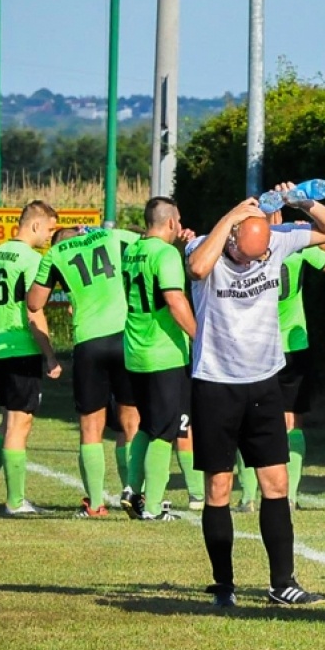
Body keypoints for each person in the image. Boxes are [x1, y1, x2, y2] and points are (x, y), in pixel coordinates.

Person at [186, 186, 325, 608]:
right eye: (248, 254)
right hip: (215, 384)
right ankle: (224, 586)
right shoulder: (205, 247)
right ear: (232, 237)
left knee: (274, 484)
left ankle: (282, 582)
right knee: (218, 488)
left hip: (264, 383)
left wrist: (302, 203)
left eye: (263, 255)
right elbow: (200, 269)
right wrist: (231, 215)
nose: (258, 262)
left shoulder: (274, 243)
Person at [27, 222, 139, 517]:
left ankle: (95, 503)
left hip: (89, 341)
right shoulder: (111, 236)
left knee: (91, 426)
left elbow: (34, 302)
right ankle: (134, 493)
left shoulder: (55, 254)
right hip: (124, 335)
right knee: (130, 420)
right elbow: (145, 242)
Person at [249, 205, 325, 511]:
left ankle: (246, 496)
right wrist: (314, 237)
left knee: (250, 418)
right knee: (292, 421)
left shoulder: (242, 248)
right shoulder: (292, 245)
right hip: (292, 343)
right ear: (278, 218)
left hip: (254, 343)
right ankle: (288, 495)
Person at [0, 201, 61, 515]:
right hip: (20, 349)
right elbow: (33, 310)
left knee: (6, 423)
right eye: (49, 229)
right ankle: (15, 501)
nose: (49, 236)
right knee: (19, 426)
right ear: (35, 226)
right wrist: (49, 355)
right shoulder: (31, 259)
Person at [122, 197, 198, 522]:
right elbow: (173, 299)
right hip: (163, 353)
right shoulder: (165, 254)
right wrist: (201, 336)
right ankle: (153, 507)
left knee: (147, 426)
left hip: (135, 350)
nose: (180, 226)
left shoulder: (133, 250)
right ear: (170, 222)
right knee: (166, 432)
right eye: (178, 220)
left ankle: (130, 489)